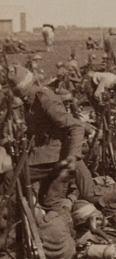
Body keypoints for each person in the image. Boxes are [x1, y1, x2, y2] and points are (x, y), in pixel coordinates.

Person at [4, 65, 96, 210]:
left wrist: (73, 156)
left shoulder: (45, 100)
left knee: (11, 178)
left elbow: (75, 127)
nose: (19, 97)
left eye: (19, 93)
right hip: (46, 152)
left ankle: (12, 222)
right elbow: (42, 128)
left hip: (55, 155)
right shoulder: (31, 100)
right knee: (47, 200)